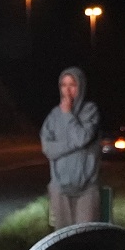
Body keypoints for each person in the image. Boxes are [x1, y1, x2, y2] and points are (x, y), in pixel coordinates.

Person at [41, 67, 102, 227]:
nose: (67, 90)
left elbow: (82, 138)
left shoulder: (90, 111)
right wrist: (75, 145)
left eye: (72, 85)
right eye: (63, 85)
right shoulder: (54, 116)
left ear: (81, 86)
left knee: (85, 236)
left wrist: (68, 114)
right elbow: (48, 149)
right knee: (63, 237)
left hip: (87, 189)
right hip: (59, 188)